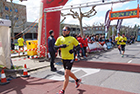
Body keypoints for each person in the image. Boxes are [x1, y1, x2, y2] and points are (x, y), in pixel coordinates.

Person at [54, 26, 81, 94]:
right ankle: (77, 80)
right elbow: (54, 47)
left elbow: (79, 47)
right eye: (63, 29)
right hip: (63, 58)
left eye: (65, 30)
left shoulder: (72, 38)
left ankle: (62, 91)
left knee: (66, 74)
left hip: (70, 58)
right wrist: (60, 46)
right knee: (68, 73)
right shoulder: (60, 38)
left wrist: (73, 50)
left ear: (68, 31)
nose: (63, 31)